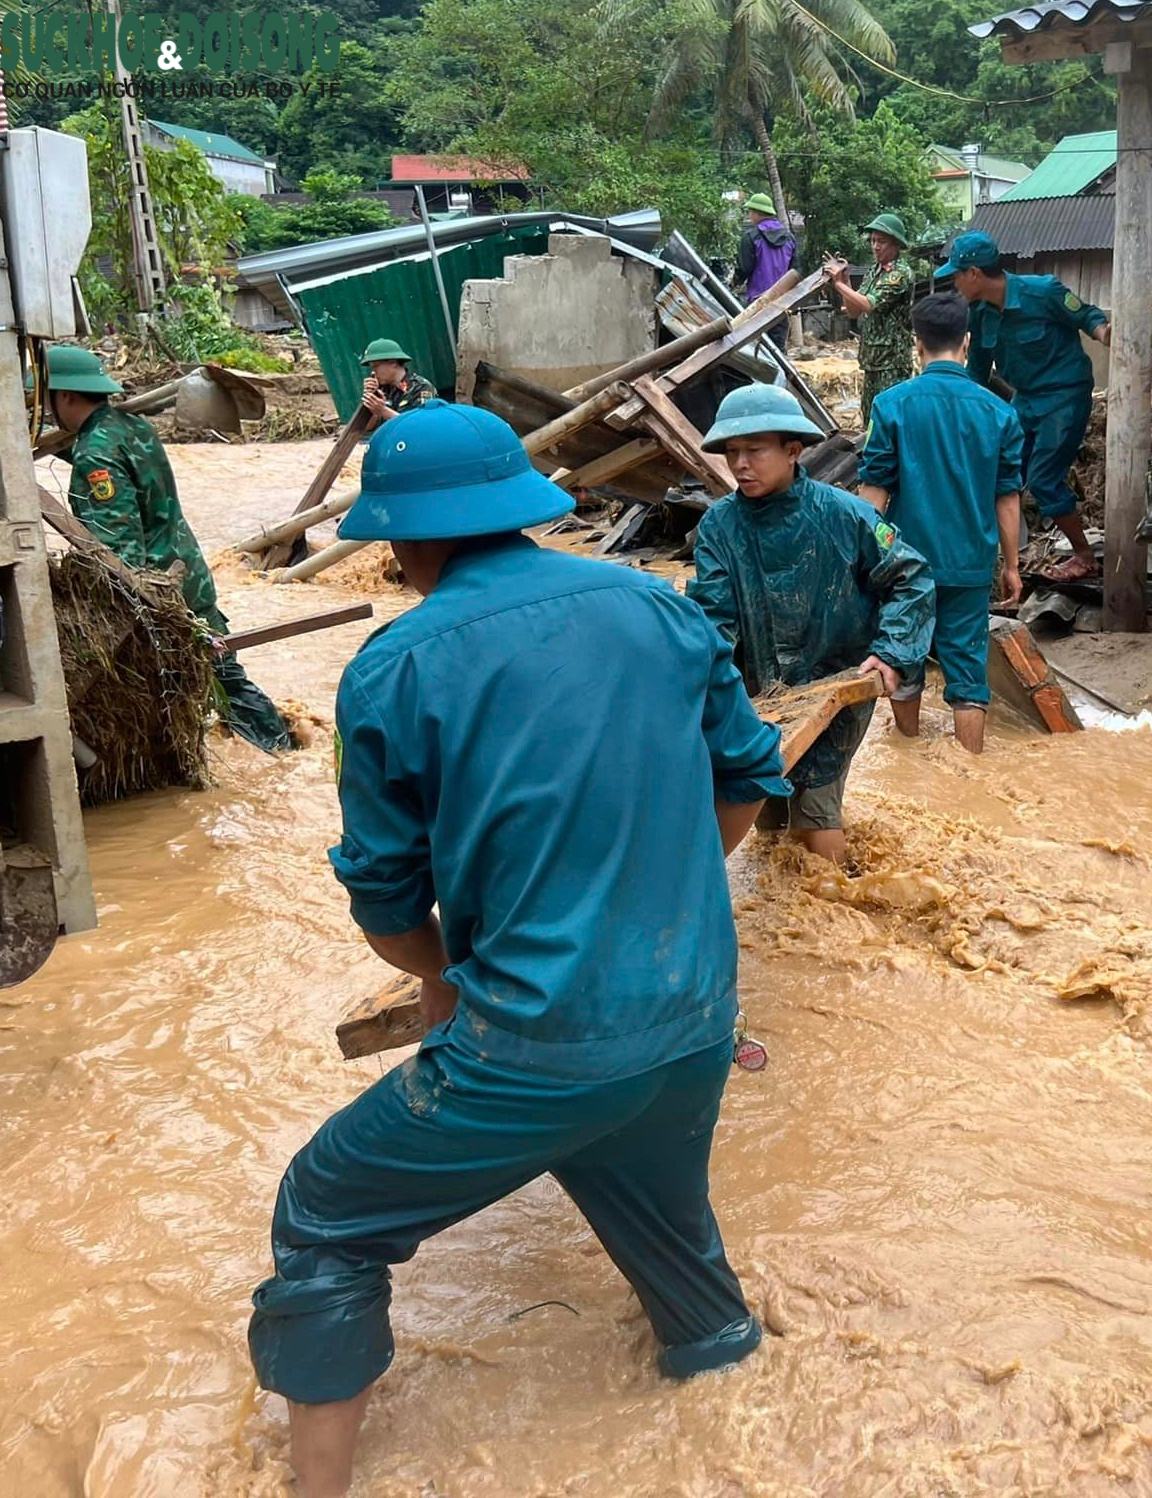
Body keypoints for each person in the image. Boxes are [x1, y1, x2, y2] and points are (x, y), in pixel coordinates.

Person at [249, 401, 787, 1497]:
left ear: (405, 539)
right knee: (674, 1252)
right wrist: (657, 903)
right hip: (690, 1021)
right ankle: (737, 1418)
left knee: (324, 1211)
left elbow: (385, 898)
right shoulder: (661, 608)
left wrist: (446, 981)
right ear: (522, 508)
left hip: (533, 1045)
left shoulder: (395, 665)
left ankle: (313, 1488)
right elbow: (743, 783)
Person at [689, 383, 933, 866]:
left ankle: (845, 914)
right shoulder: (719, 526)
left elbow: (912, 578)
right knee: (765, 807)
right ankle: (787, 911)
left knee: (816, 811)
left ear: (793, 451)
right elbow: (712, 617)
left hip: (835, 683)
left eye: (755, 451)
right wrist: (699, 685)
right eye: (732, 452)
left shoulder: (846, 515)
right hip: (759, 696)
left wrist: (892, 651)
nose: (740, 464)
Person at [42, 344, 295, 752]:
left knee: (214, 682)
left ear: (65, 396)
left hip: (161, 590)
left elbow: (118, 546)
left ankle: (275, 749)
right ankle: (282, 748)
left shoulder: (95, 452)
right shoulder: (130, 426)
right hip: (189, 570)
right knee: (226, 679)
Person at [856, 292, 1024, 754]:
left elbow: (874, 490)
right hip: (970, 562)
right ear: (966, 343)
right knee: (968, 670)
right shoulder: (1000, 412)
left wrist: (859, 554)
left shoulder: (891, 405)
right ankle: (970, 769)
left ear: (917, 345)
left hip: (905, 566)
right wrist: (1011, 565)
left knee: (905, 661)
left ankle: (909, 753)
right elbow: (1007, 498)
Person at [937, 230, 1112, 585]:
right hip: (1026, 398)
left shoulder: (1042, 291)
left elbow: (1089, 316)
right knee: (1001, 465)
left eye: (956, 276)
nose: (954, 284)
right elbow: (978, 372)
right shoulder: (980, 314)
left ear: (973, 274)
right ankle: (1002, 556)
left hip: (1064, 394)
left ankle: (1083, 556)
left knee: (1044, 478)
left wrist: (1106, 335)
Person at [825, 212, 918, 421]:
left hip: (892, 362)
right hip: (871, 360)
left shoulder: (900, 273)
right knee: (869, 420)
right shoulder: (873, 271)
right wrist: (846, 281)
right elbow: (854, 310)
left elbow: (869, 304)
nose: (875, 246)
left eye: (882, 242)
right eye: (873, 241)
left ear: (895, 245)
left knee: (890, 420)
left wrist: (838, 284)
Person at [733, 193, 797, 307]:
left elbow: (745, 268)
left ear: (756, 213)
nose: (749, 215)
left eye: (750, 212)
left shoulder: (751, 237)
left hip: (758, 302)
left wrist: (735, 282)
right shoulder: (789, 238)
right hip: (783, 303)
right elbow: (794, 270)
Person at [357, 339, 434, 424]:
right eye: (372, 367)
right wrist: (371, 401)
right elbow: (368, 428)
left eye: (376, 366)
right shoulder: (381, 389)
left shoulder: (420, 387)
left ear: (393, 362)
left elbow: (421, 425)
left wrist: (383, 411)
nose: (373, 372)